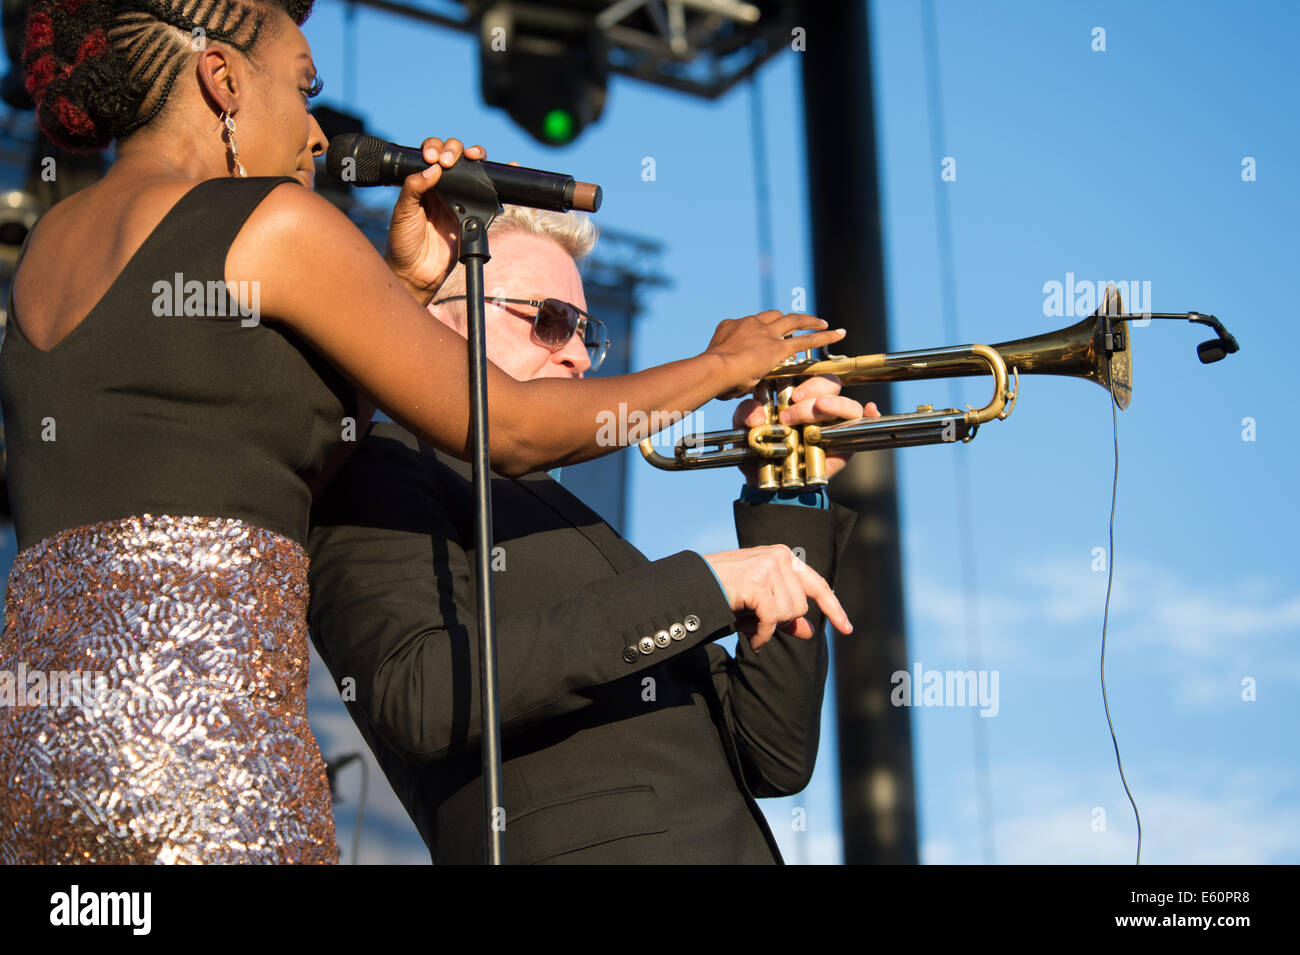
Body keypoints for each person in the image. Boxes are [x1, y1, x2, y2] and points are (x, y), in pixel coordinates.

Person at [0, 0, 846, 864]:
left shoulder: (43, 259)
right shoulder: (276, 224)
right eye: (304, 88)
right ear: (221, 81)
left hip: (50, 748)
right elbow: (510, 430)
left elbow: (266, 427)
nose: (321, 135)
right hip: (205, 743)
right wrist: (719, 367)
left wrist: (400, 289)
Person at [307, 206, 879, 863]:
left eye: (586, 331)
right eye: (549, 320)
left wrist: (784, 489)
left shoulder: (575, 526)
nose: (578, 353)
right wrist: (704, 582)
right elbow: (419, 693)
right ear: (441, 319)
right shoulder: (379, 461)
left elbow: (774, 752)